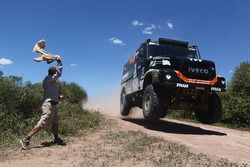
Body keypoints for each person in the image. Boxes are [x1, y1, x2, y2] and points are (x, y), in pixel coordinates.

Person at [20, 56, 65, 150]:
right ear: (53, 73)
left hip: (53, 105)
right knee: (43, 122)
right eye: (55, 71)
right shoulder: (48, 79)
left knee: (55, 123)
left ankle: (56, 139)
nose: (56, 73)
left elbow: (51, 94)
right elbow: (59, 74)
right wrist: (59, 62)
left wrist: (58, 98)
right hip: (48, 105)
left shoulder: (52, 83)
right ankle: (26, 139)